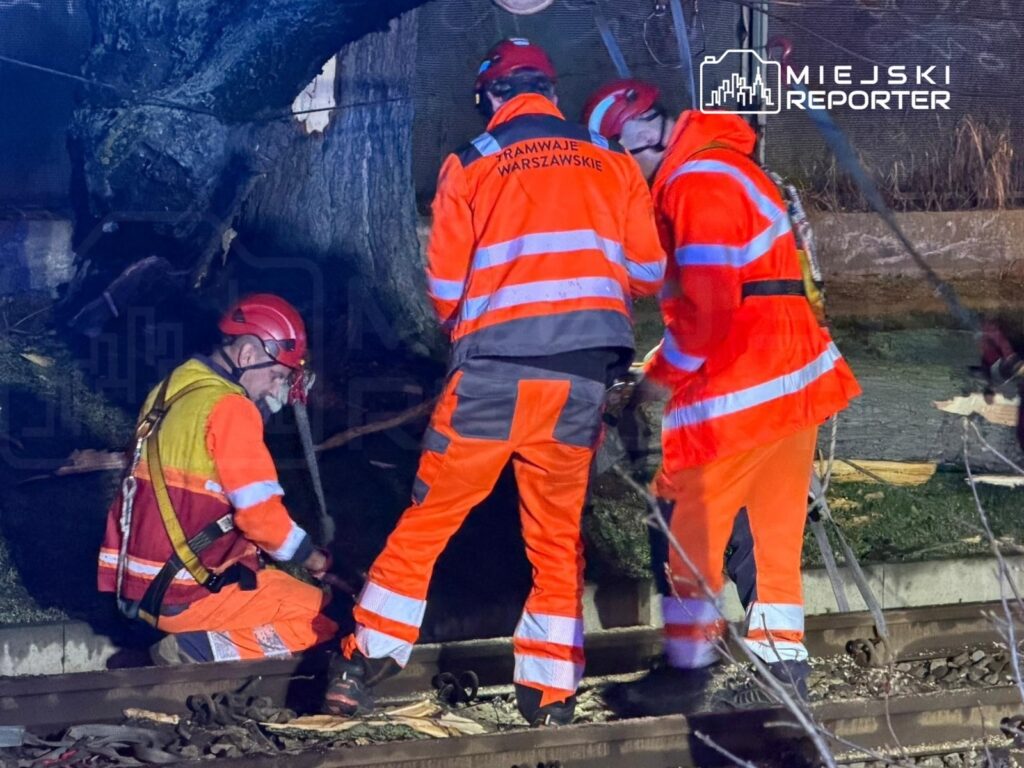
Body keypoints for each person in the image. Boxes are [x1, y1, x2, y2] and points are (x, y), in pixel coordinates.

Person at [324, 39, 666, 726]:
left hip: (492, 379)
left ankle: (365, 665)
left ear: (488, 97)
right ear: (550, 91)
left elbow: (446, 290)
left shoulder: (472, 163)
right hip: (579, 381)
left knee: (430, 520)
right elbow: (647, 272)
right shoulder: (611, 160)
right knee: (556, 541)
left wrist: (482, 330)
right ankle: (550, 694)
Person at [582, 80, 861, 713]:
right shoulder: (726, 166)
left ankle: (686, 671)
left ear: (636, 139)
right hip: (793, 376)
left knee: (684, 523)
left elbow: (708, 316)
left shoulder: (695, 185)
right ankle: (783, 671)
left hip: (745, 382)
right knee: (771, 531)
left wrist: (653, 387)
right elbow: (739, 292)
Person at [97, 294, 338, 663]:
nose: (274, 389)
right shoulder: (231, 409)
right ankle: (194, 650)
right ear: (247, 355)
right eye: (276, 376)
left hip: (137, 588)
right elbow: (260, 518)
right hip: (186, 591)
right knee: (325, 617)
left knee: (272, 583)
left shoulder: (171, 387)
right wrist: (314, 559)